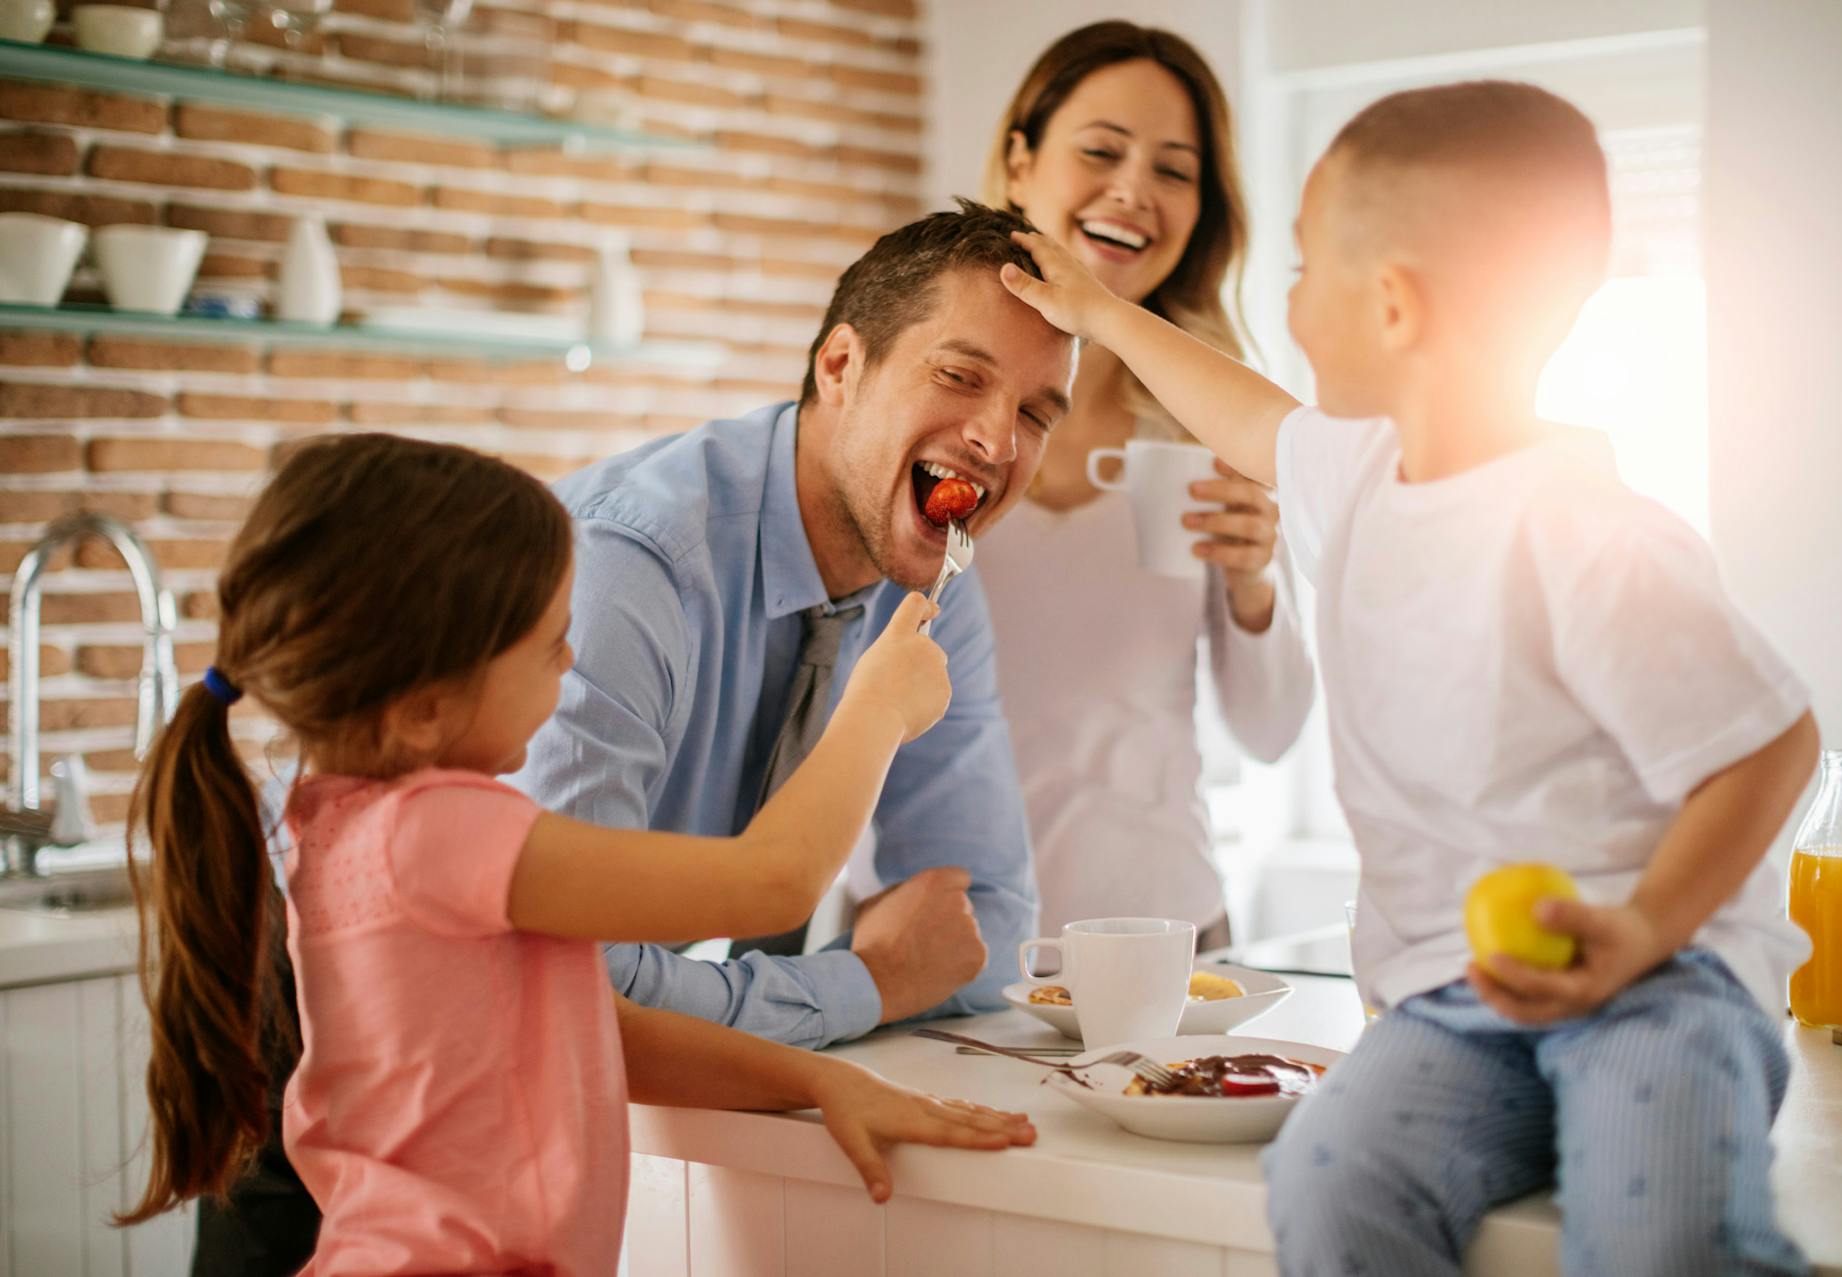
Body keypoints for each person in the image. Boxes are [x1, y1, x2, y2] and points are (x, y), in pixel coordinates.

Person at [1002, 80, 1817, 1275]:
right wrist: (1099, 316)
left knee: (1663, 1233)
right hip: (1450, 1002)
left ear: (1390, 305)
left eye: (1301, 271)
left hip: (1664, 989)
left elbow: (1769, 743)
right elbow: (1239, 409)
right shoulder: (1362, 477)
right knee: (1332, 1178)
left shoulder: (1585, 530)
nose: (1285, 304)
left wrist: (1646, 927)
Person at [120, 433, 1035, 1273]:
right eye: (550, 641)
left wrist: (819, 1078)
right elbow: (772, 881)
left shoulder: (340, 827)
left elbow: (592, 1027)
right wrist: (877, 707)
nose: (569, 665)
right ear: (426, 703)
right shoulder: (446, 832)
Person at [514, 203, 1073, 1043]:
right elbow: (570, 978)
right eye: (961, 376)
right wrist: (865, 982)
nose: (998, 439)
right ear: (841, 365)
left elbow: (979, 924)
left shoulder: (936, 584)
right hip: (314, 1036)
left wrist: (872, 978)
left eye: (1035, 413)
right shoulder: (627, 566)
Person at [973, 21, 1313, 943]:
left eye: (1174, 168)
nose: (1134, 189)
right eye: (1100, 150)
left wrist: (1254, 584)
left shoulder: (1216, 423)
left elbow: (1274, 732)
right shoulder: (928, 405)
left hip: (1171, 939)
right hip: (938, 942)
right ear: (1019, 162)